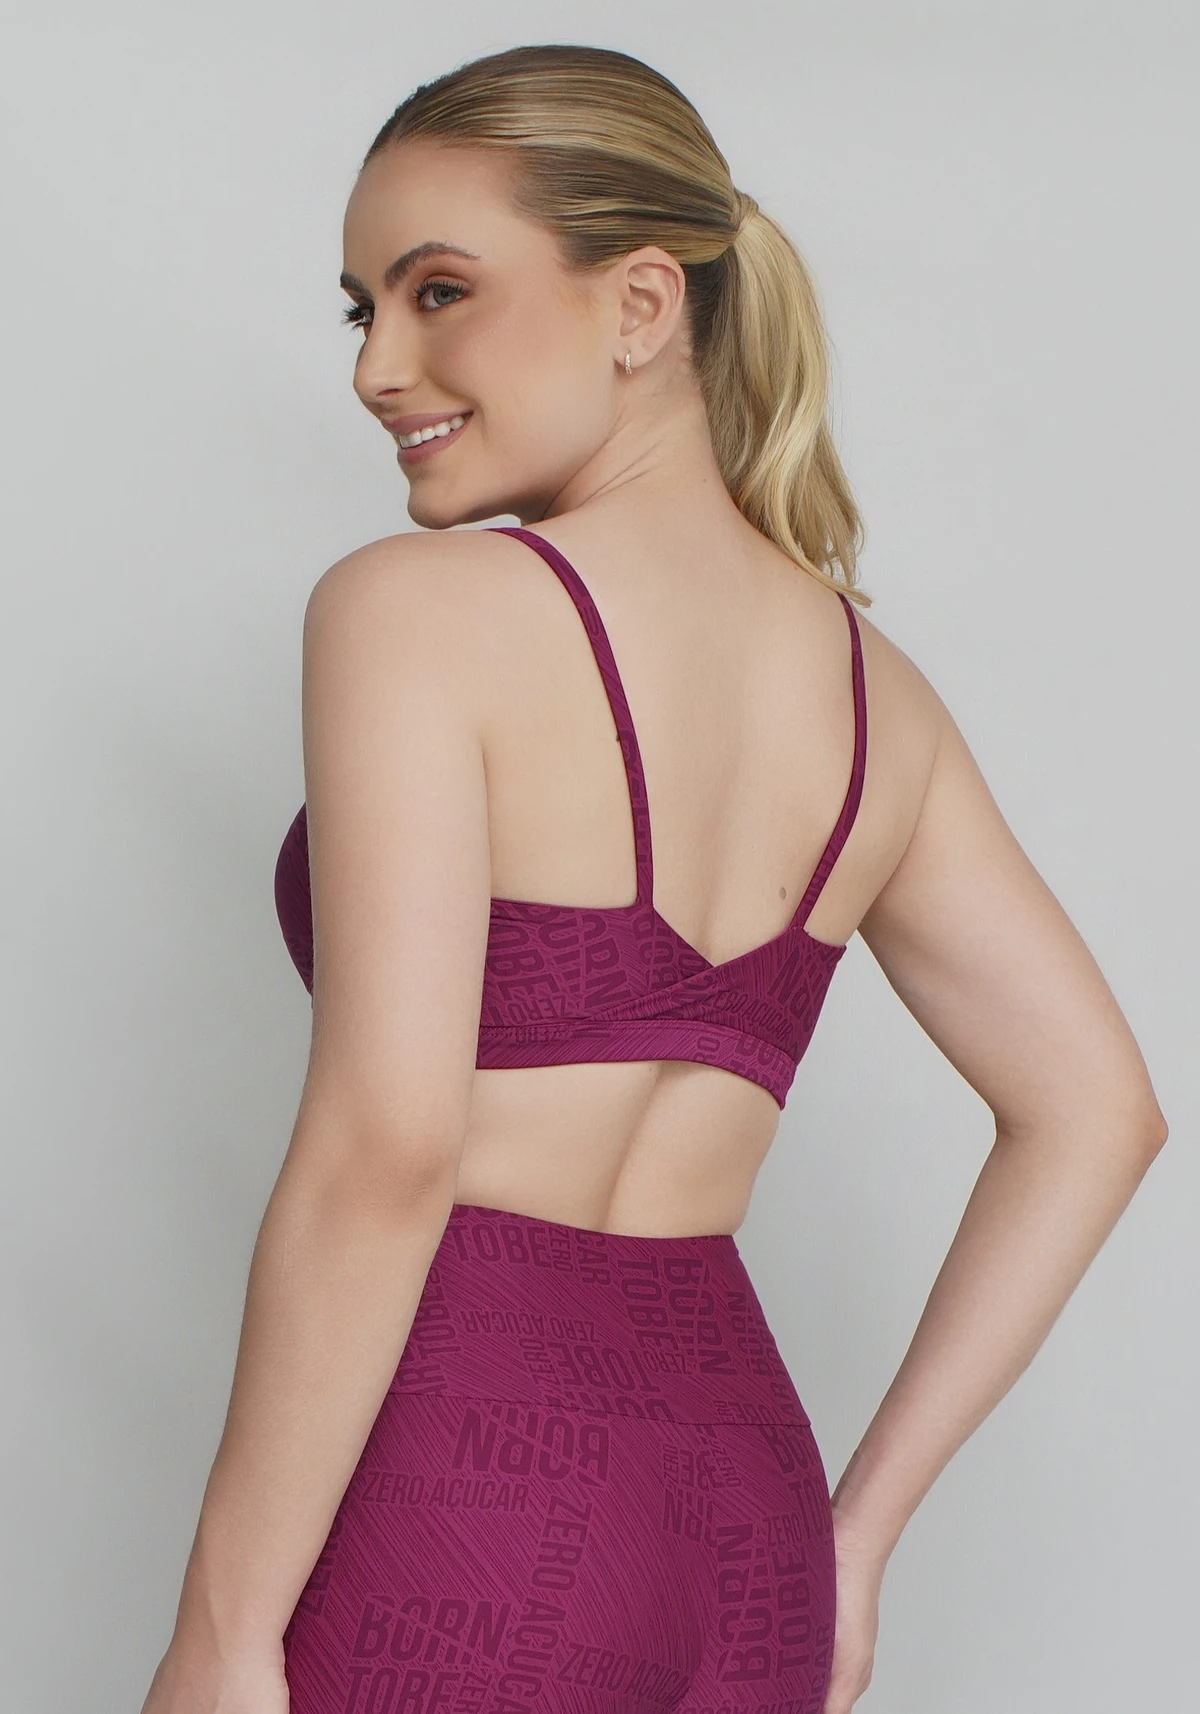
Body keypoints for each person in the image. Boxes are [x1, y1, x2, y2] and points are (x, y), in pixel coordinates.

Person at [139, 42, 1168, 1714]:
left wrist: (223, 1623)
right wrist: (856, 1539)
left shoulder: (415, 612)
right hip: (747, 1537)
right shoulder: (880, 699)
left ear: (640, 303)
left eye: (439, 291)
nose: (379, 366)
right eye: (361, 310)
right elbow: (1101, 1107)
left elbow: (390, 1147)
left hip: (466, 1498)